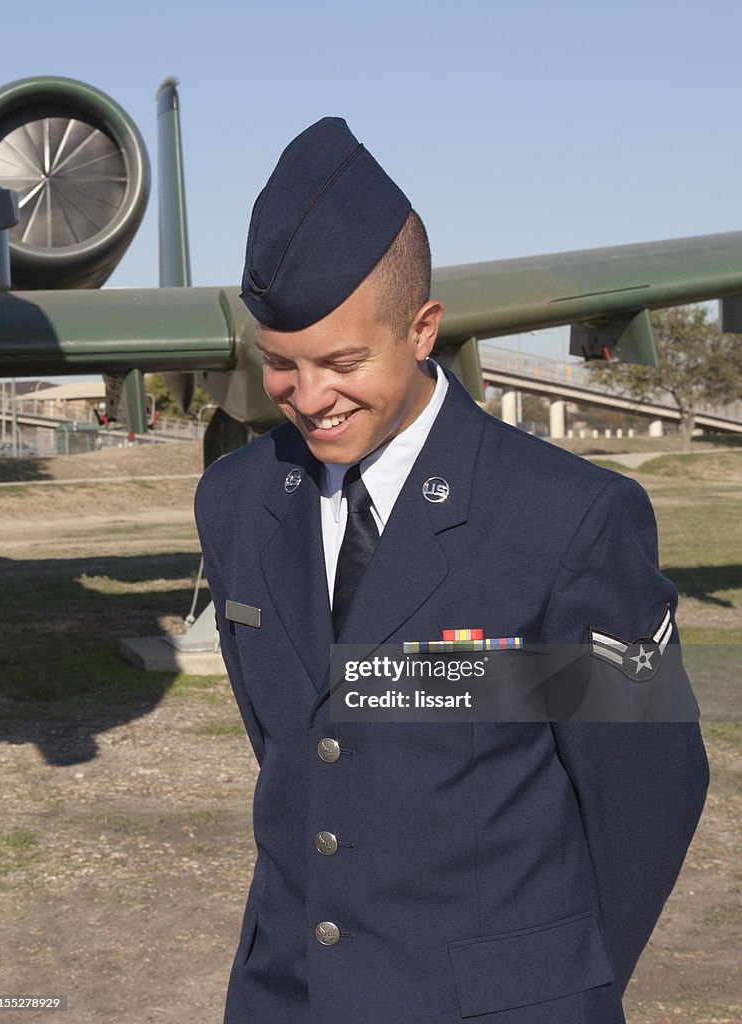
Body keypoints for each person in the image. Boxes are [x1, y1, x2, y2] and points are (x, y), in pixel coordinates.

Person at [195, 116, 709, 1024]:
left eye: (342, 362)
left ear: (422, 329)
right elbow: (302, 739)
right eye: (281, 364)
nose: (309, 399)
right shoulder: (237, 501)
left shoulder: (566, 519)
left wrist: (550, 983)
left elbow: (649, 791)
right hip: (287, 998)